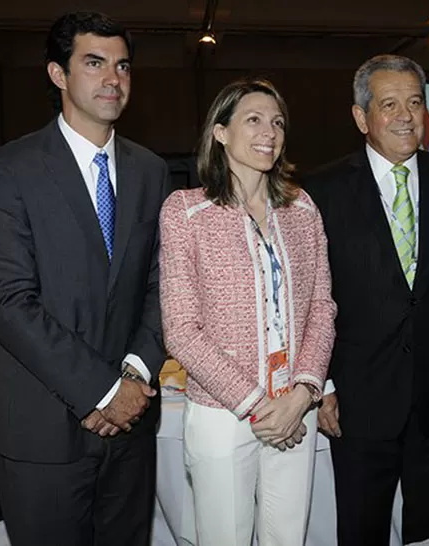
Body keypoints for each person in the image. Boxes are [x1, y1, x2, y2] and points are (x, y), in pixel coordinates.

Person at [0, 11, 169, 545]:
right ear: (58, 74)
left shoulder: (150, 170)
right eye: (95, 63)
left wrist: (132, 376)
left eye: (123, 66)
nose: (113, 79)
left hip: (130, 426)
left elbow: (161, 286)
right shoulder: (10, 169)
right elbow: (9, 302)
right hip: (41, 428)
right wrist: (101, 390)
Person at [302, 54, 429, 545]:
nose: (405, 115)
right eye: (389, 104)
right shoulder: (320, 191)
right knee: (361, 528)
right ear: (360, 116)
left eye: (414, 103)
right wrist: (321, 382)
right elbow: (309, 297)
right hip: (358, 397)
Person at [160, 78, 336, 545]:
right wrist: (259, 407)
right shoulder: (186, 211)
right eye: (254, 120)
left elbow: (322, 307)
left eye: (277, 122)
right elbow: (180, 330)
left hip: (295, 410)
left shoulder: (302, 208)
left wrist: (301, 396)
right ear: (220, 132)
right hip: (225, 414)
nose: (270, 133)